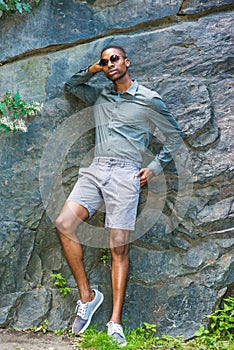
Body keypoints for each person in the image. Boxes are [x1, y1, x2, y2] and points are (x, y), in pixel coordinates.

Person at [55, 45, 182, 346]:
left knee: (118, 248)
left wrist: (152, 168)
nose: (110, 64)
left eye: (114, 59)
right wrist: (94, 69)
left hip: (127, 174)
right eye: (105, 61)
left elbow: (174, 135)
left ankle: (115, 323)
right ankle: (88, 296)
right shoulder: (101, 96)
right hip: (95, 168)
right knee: (64, 223)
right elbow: (70, 85)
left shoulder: (148, 99)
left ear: (127, 61)